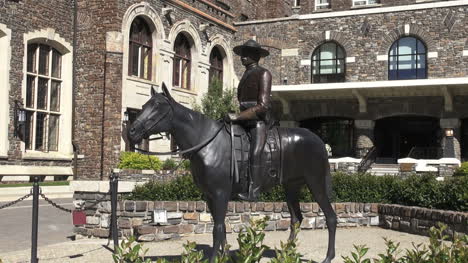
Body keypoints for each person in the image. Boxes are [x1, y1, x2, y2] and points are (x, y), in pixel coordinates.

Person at [226, 39, 272, 201]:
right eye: (242, 54)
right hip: (243, 119)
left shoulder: (263, 73)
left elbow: (263, 106)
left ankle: (254, 191)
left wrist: (238, 116)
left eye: (247, 54)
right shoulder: (246, 74)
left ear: (256, 56)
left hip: (257, 121)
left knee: (255, 152)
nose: (243, 57)